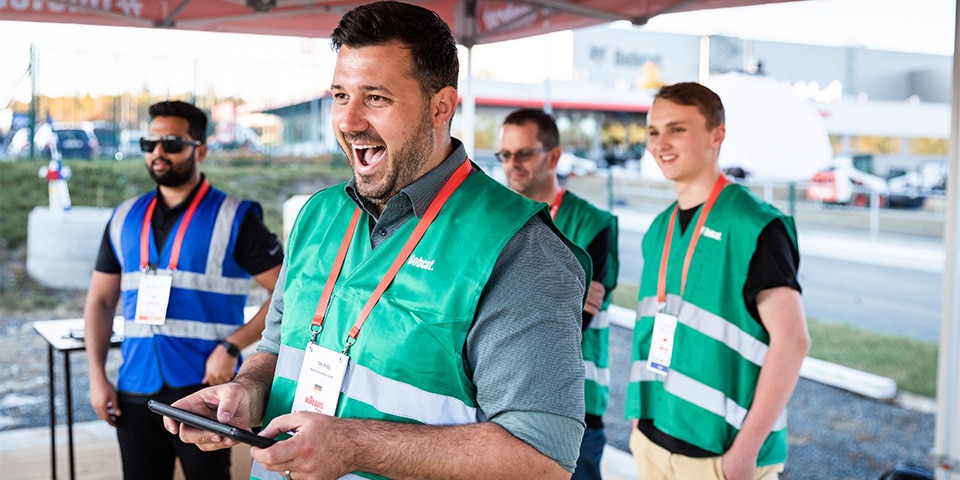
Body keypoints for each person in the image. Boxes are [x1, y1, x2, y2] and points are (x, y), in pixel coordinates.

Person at [163, 2, 591, 479]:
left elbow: (541, 459)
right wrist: (246, 392)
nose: (348, 121)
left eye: (376, 98)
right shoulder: (318, 214)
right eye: (340, 95)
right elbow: (278, 347)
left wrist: (354, 445)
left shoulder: (520, 249)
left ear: (440, 107)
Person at [83, 100, 284, 480]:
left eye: (172, 143)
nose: (159, 152)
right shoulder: (123, 216)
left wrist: (233, 346)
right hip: (136, 387)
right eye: (151, 143)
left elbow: (287, 293)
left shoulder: (235, 217)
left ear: (201, 150)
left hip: (204, 390)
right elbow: (100, 300)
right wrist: (97, 376)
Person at [624, 82, 810, 480]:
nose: (661, 143)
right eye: (653, 131)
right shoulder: (660, 229)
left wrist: (745, 452)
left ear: (717, 135)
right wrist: (640, 424)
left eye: (677, 129)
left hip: (721, 458)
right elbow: (662, 322)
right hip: (654, 442)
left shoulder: (755, 225)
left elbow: (793, 342)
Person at [498, 107, 619, 480]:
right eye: (505, 154)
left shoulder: (593, 224)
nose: (512, 164)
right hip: (503, 399)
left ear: (553, 156)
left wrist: (506, 303)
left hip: (573, 407)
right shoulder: (497, 218)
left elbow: (572, 325)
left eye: (523, 153)